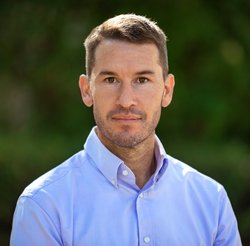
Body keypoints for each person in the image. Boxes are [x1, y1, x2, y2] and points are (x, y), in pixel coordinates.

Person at [10, 14, 242, 245]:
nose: (126, 100)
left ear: (167, 90)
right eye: (111, 79)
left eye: (142, 80)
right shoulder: (43, 206)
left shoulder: (212, 202)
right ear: (86, 90)